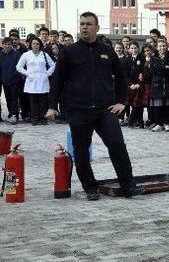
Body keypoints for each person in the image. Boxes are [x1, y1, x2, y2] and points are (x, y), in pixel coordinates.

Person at [47, 11, 141, 200]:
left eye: (89, 24)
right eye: (82, 24)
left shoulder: (106, 50)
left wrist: (122, 102)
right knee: (81, 150)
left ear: (97, 28)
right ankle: (91, 188)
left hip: (104, 110)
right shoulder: (69, 51)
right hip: (78, 110)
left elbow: (122, 78)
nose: (84, 27)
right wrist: (52, 106)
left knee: (117, 144)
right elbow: (57, 80)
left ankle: (129, 186)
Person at [16, 37, 56, 125]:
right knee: (33, 102)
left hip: (43, 81)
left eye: (37, 44)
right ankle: (34, 118)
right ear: (30, 45)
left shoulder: (44, 54)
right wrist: (27, 73)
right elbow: (19, 67)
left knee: (43, 102)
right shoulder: (26, 55)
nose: (35, 45)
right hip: (31, 81)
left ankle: (43, 118)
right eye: (34, 43)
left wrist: (47, 74)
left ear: (40, 45)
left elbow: (53, 65)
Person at [146, 40, 169, 132]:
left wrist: (163, 67)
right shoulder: (154, 57)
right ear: (157, 47)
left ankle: (166, 123)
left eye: (164, 46)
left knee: (166, 105)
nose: (162, 48)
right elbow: (153, 69)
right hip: (157, 83)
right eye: (160, 46)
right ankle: (158, 123)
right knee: (157, 105)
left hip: (167, 83)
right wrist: (165, 67)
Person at [1, 37, 22, 123]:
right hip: (4, 81)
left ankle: (15, 115)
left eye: (9, 44)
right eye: (5, 44)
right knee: (8, 98)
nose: (7, 46)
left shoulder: (16, 54)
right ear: (3, 45)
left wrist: (14, 76)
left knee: (14, 98)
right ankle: (10, 114)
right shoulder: (1, 55)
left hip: (14, 81)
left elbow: (19, 67)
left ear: (11, 45)